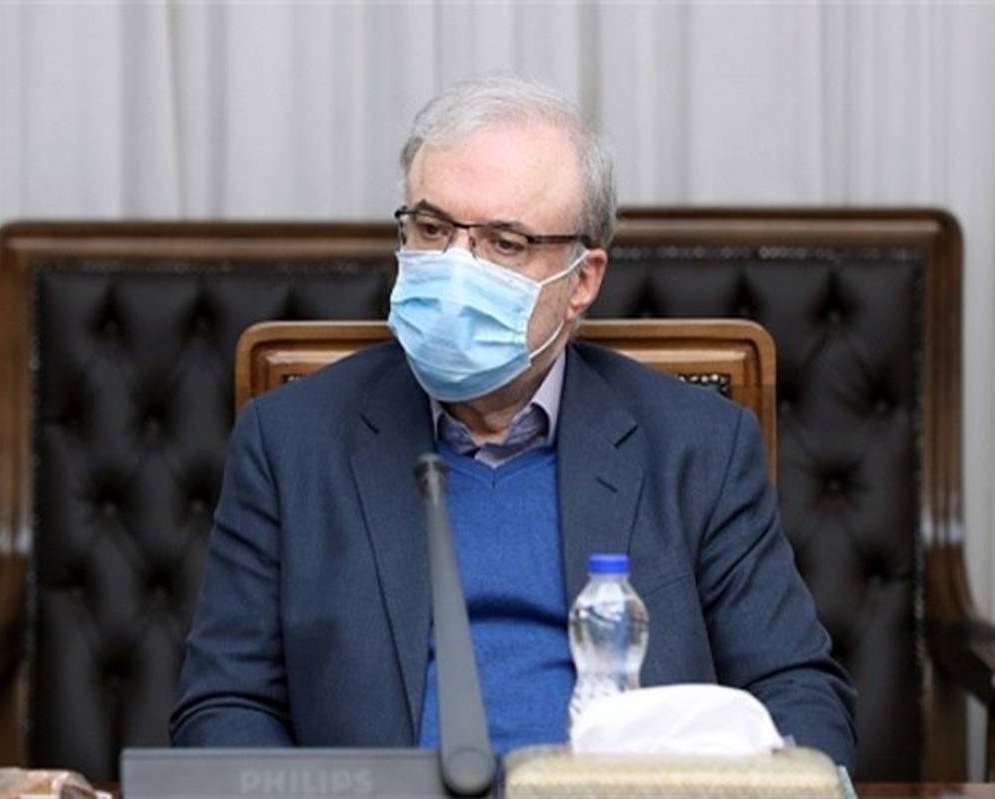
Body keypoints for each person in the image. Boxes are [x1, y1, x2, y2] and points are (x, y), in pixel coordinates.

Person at [170, 75, 857, 769]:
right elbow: (224, 706)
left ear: (581, 281)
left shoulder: (697, 447)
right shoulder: (291, 440)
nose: (454, 270)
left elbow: (799, 692)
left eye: (504, 243)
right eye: (432, 229)